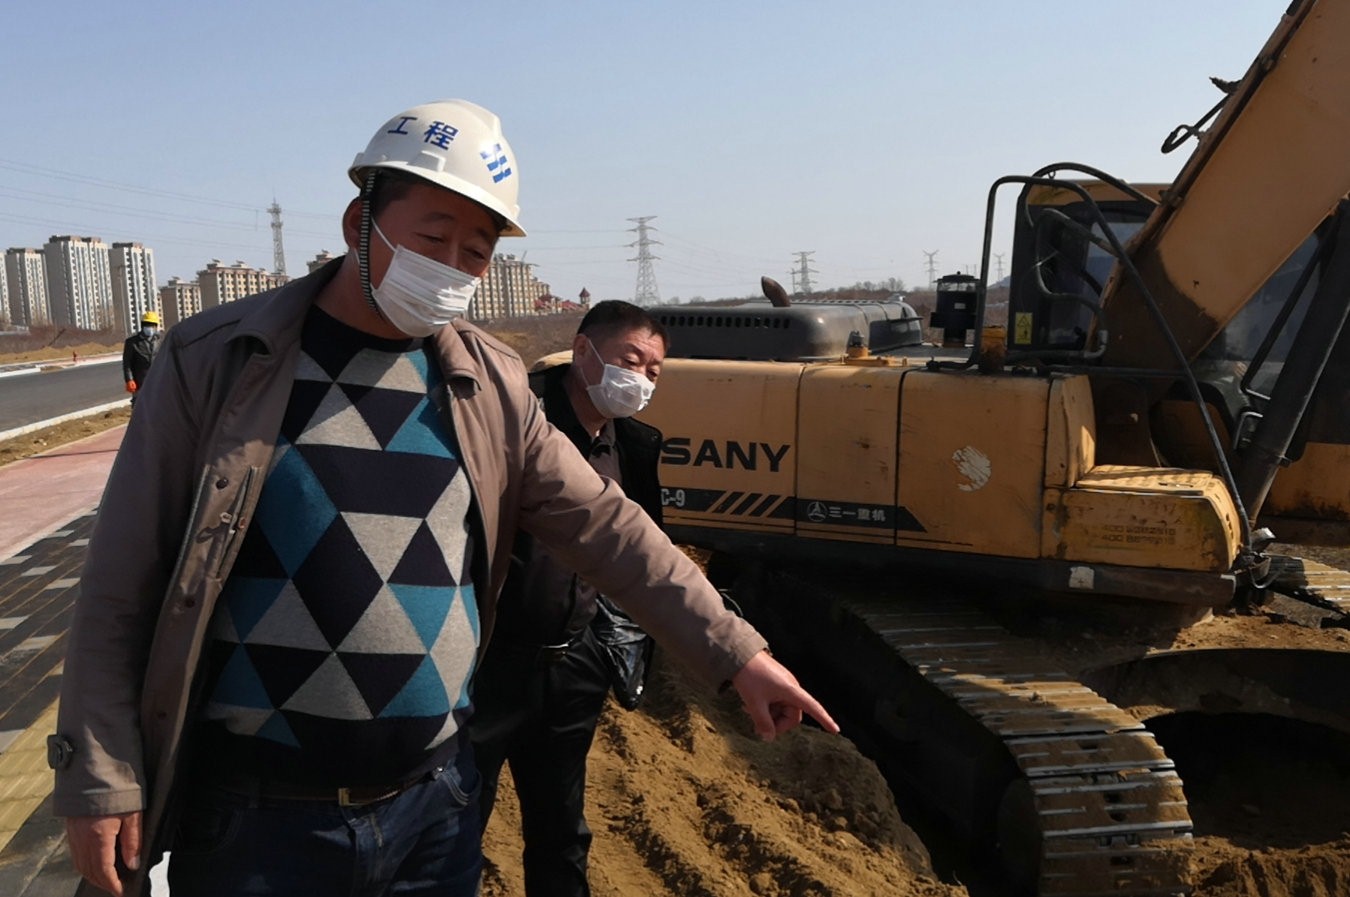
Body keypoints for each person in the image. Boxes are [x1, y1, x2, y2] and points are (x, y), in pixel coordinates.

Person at [50, 99, 836, 897]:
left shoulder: (488, 384)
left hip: (434, 813)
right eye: (433, 239)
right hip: (259, 821)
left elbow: (607, 528)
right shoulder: (220, 361)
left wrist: (737, 651)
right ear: (359, 222)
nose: (453, 266)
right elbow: (122, 579)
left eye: (476, 251)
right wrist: (98, 776)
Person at [471, 300, 668, 896]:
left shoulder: (630, 445)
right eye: (630, 361)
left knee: (561, 829)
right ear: (583, 351)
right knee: (456, 821)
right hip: (488, 664)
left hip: (574, 663)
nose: (641, 379)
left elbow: (639, 547)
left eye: (654, 371)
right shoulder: (516, 420)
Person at [120, 311, 160, 402]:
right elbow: (127, 364)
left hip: (158, 380)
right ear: (142, 326)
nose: (150, 327)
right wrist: (129, 379)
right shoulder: (132, 342)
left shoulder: (160, 341)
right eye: (147, 325)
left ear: (156, 326)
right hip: (140, 381)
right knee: (140, 405)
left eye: (152, 325)